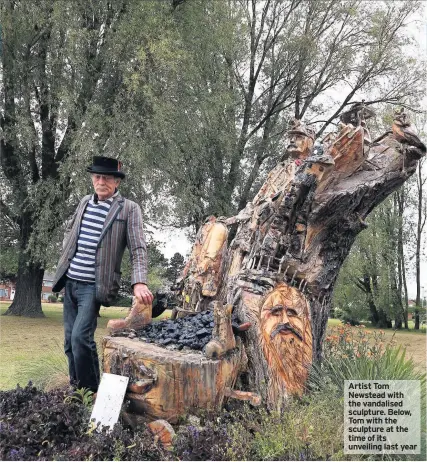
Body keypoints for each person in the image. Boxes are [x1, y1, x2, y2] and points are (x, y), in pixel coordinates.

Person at [52, 156, 153, 392]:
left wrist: (139, 282)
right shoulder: (85, 202)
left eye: (107, 177)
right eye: (97, 177)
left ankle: (92, 392)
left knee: (80, 339)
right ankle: (77, 391)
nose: (101, 181)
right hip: (71, 282)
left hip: (93, 287)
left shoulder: (128, 209)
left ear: (117, 182)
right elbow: (71, 233)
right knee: (70, 342)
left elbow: (138, 247)